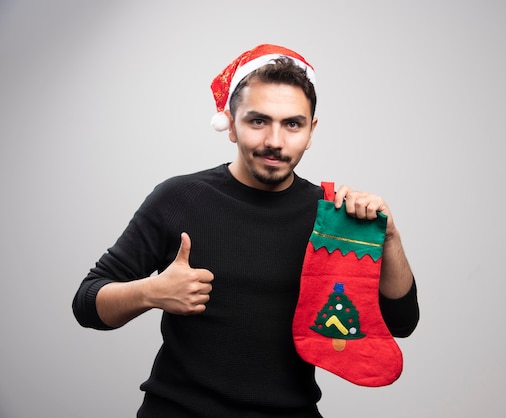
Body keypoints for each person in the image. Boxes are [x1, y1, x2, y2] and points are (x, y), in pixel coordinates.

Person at [72, 44, 419, 418]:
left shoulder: (332, 216)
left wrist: (390, 238)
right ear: (231, 125)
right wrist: (150, 292)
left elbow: (401, 324)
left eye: (292, 124)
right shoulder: (179, 198)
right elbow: (86, 304)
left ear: (311, 130)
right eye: (258, 121)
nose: (274, 141)